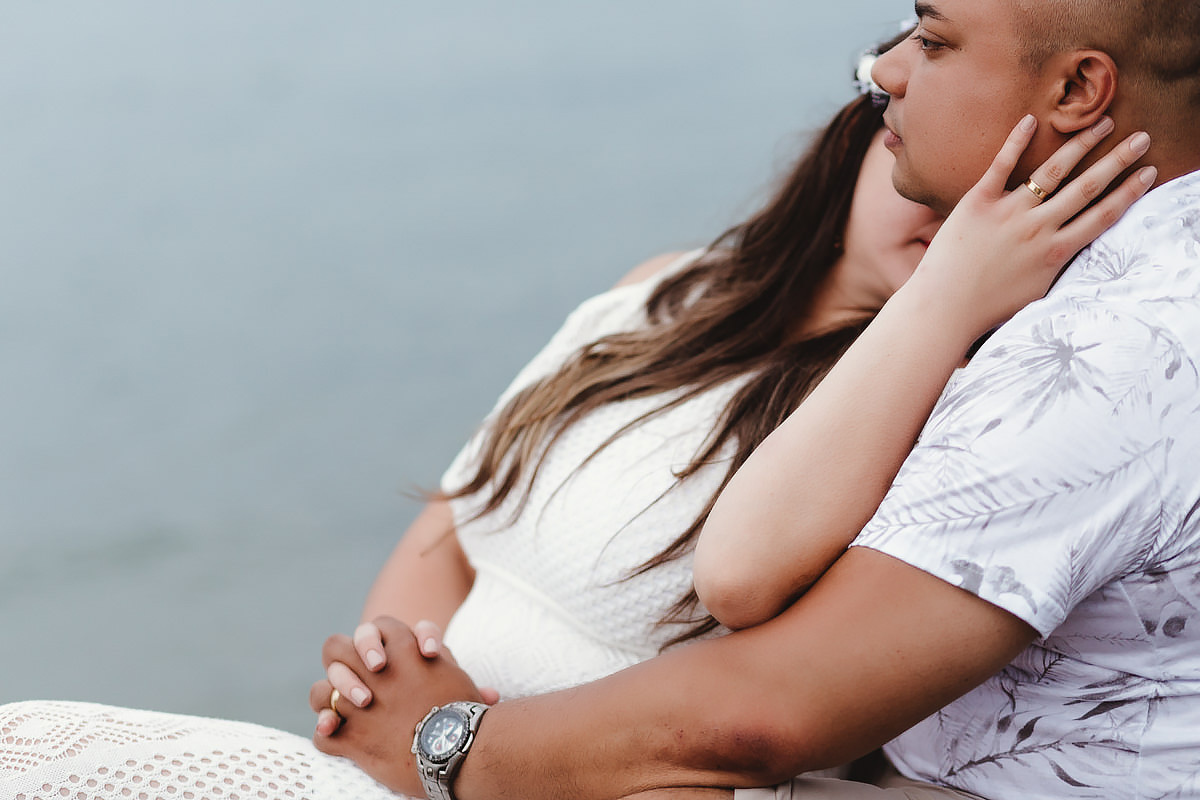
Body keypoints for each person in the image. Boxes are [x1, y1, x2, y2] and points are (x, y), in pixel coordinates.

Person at [0, 16, 1157, 800]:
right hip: (413, 755)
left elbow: (746, 582)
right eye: (952, 196)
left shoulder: (929, 400)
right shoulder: (664, 290)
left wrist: (456, 746)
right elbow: (455, 515)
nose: (957, 226)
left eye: (1011, 219)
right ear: (869, 138)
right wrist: (385, 680)